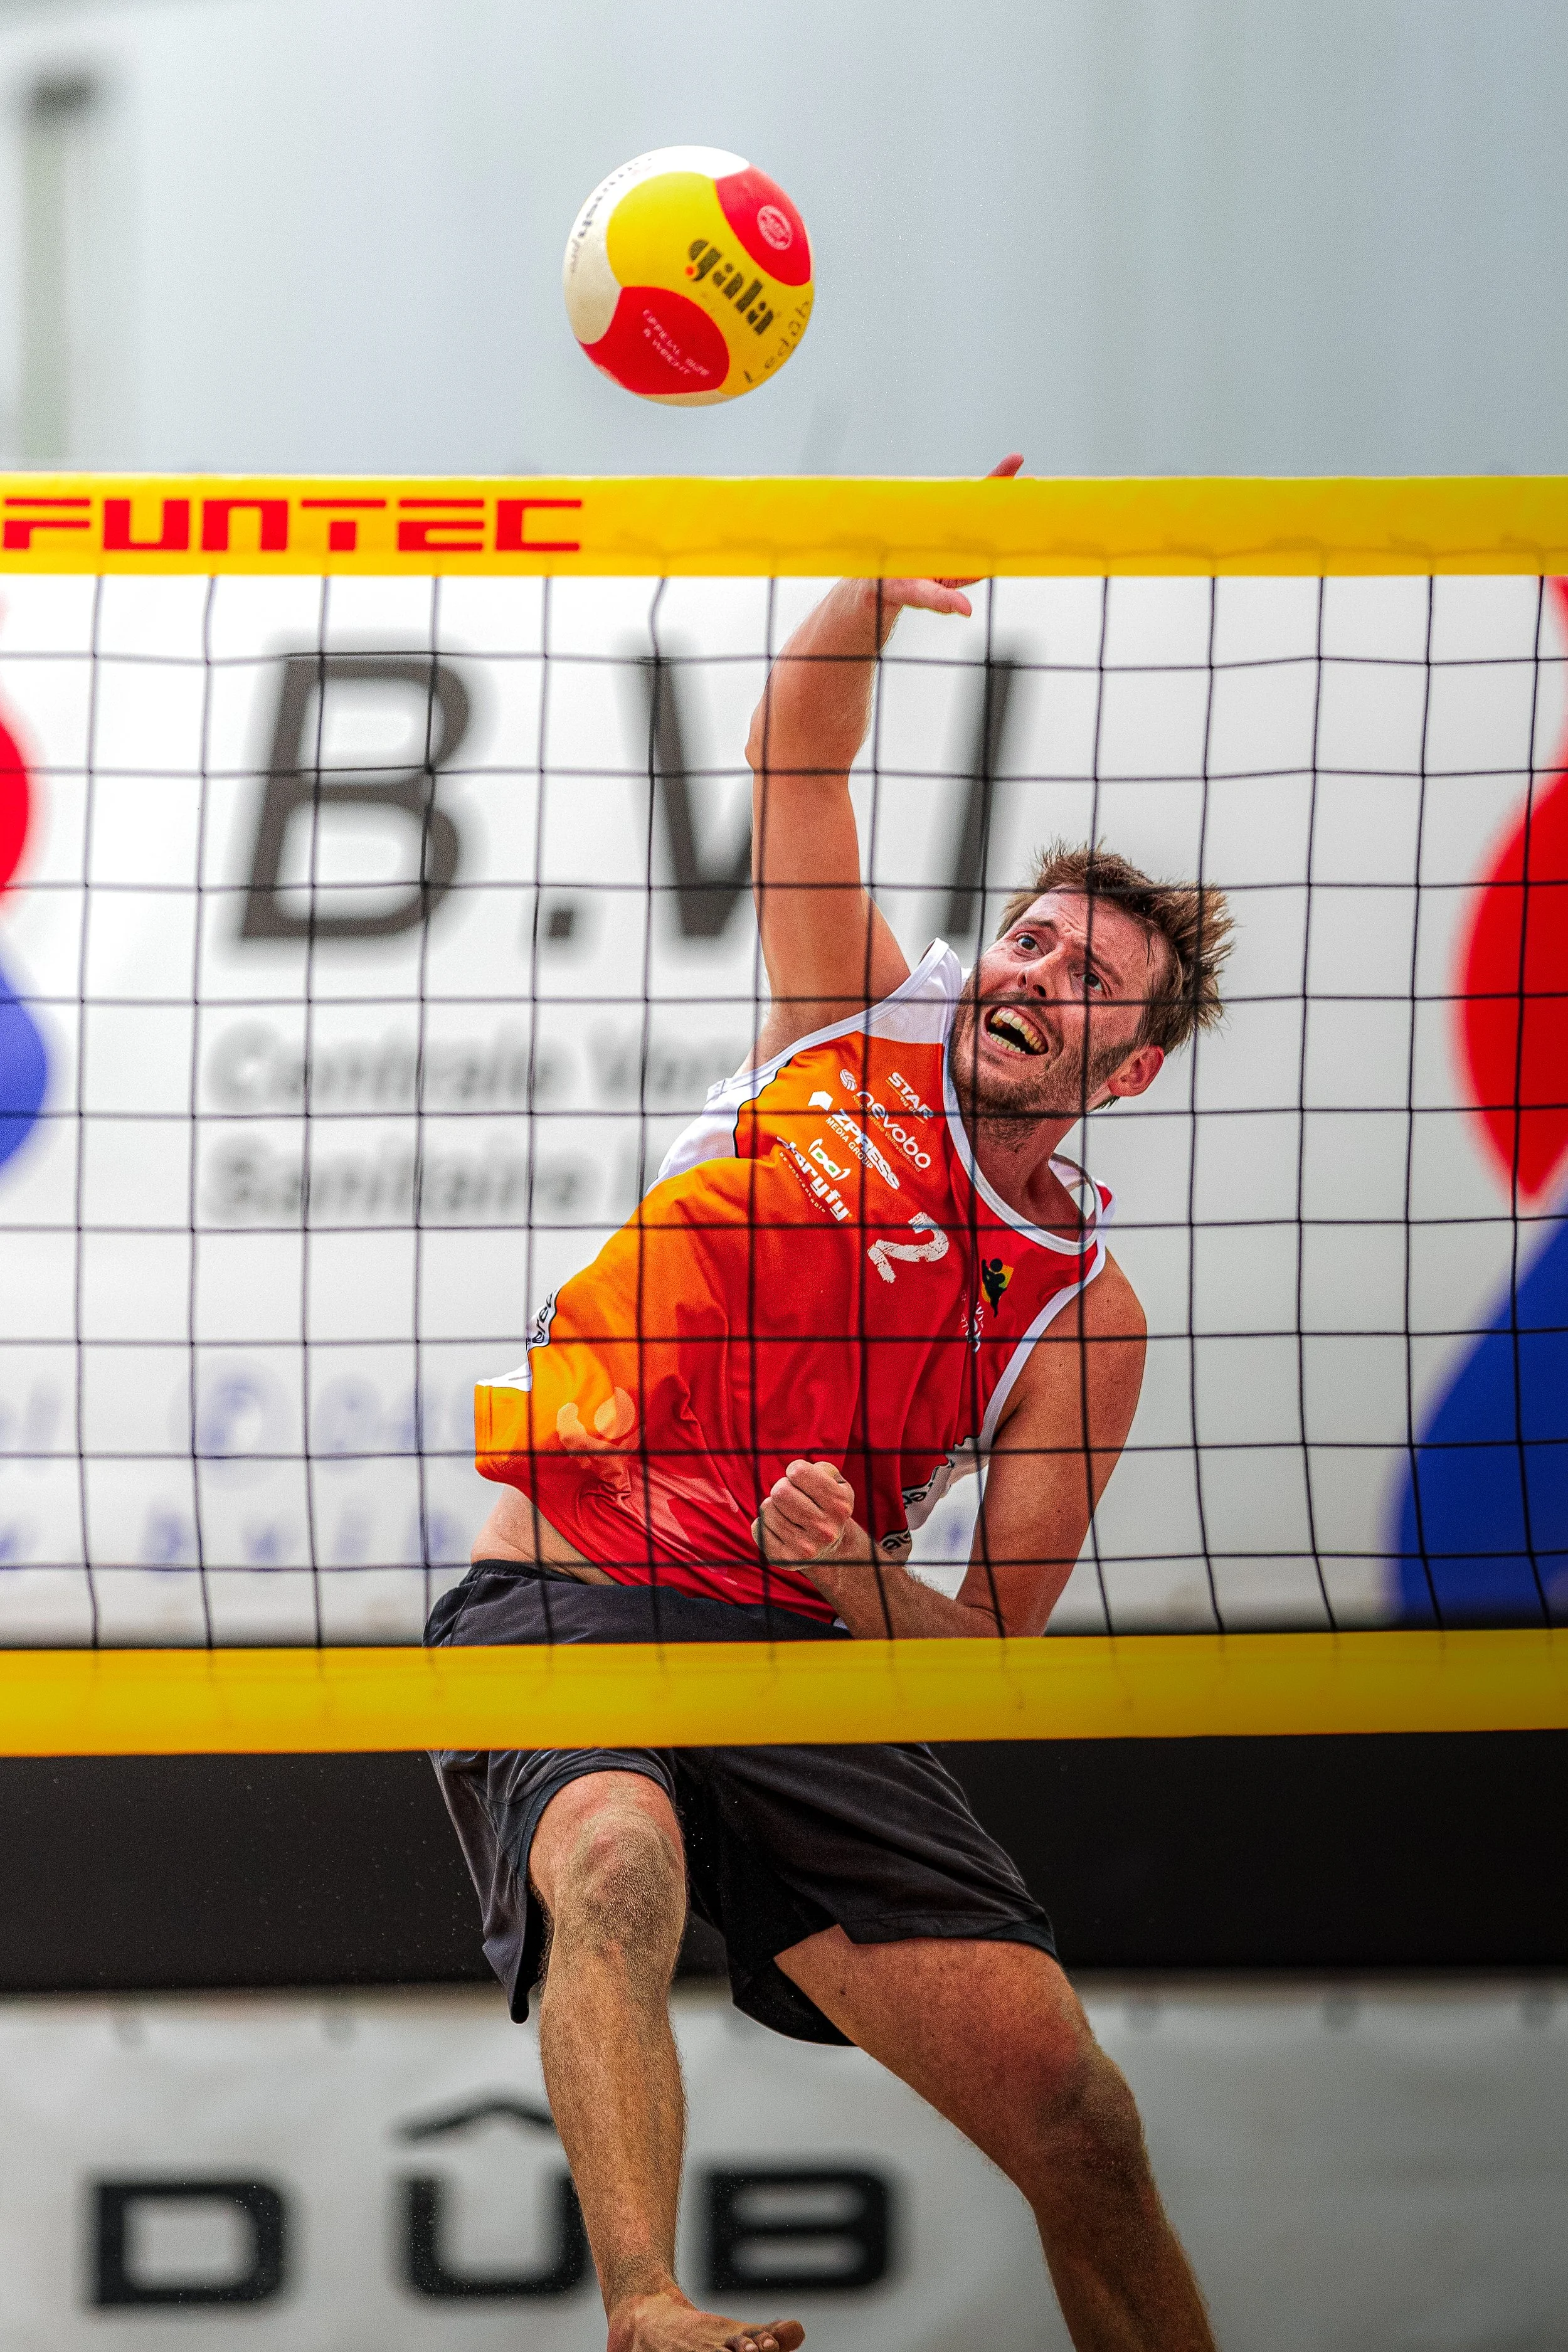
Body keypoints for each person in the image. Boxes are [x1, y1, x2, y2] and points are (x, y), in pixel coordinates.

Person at [428, 455, 1232, 2352]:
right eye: (1033, 936)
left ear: (1124, 1067)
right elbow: (793, 764)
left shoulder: (1082, 1308)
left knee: (1079, 2120)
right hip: (576, 1576)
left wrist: (866, 1574)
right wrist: (870, 590)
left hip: (801, 1642)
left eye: (1089, 977)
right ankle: (649, 2305)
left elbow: (987, 1644)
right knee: (612, 1860)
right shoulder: (850, 1016)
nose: (1037, 969)